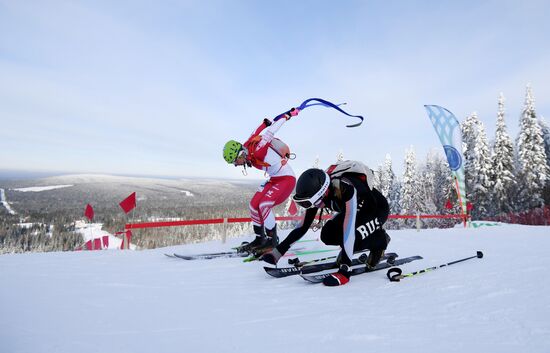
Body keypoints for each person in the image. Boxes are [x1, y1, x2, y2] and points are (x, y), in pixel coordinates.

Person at [261, 160, 391, 286]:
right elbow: (302, 227)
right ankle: (353, 248)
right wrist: (277, 253)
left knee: (354, 236)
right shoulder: (319, 194)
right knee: (328, 234)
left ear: (323, 193)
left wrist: (345, 270)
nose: (311, 206)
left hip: (376, 209)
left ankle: (380, 241)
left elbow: (349, 228)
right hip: (357, 210)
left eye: (309, 203)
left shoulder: (346, 189)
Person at [223, 108, 299, 252]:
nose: (236, 164)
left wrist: (287, 116)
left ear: (240, 154)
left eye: (235, 161)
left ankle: (272, 241)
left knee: (264, 205)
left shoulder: (258, 149)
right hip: (274, 179)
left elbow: (271, 132)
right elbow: (255, 132)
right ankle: (260, 239)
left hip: (286, 179)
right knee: (254, 205)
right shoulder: (246, 147)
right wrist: (264, 123)